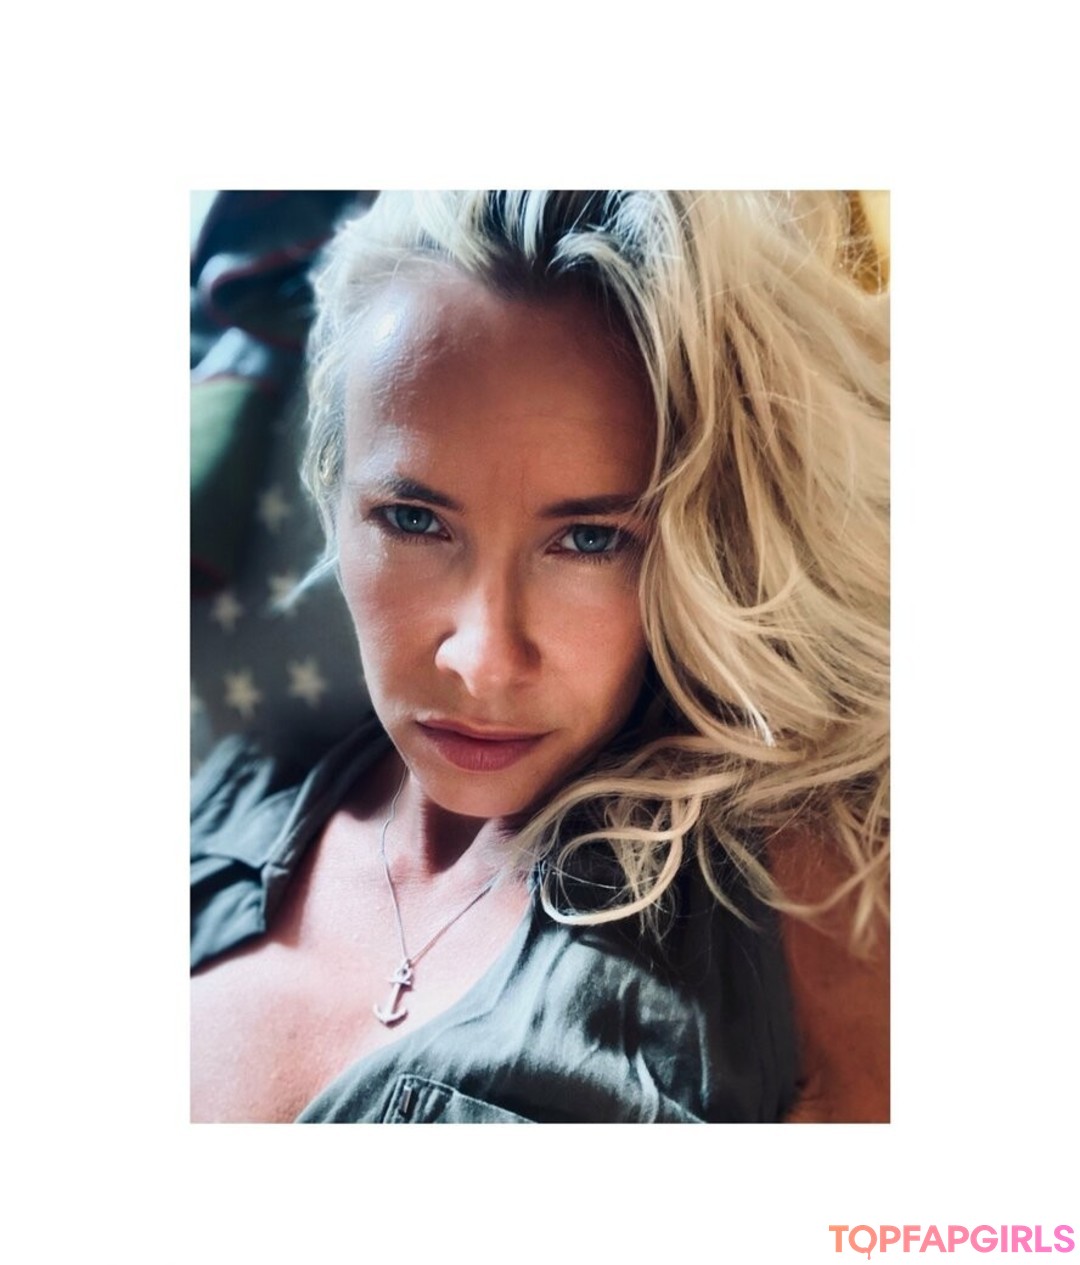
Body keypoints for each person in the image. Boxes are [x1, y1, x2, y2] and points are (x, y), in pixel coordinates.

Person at [190, 191, 889, 1123]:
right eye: (412, 520)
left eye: (590, 539)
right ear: (334, 499)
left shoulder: (810, 887)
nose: (482, 661)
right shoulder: (227, 801)